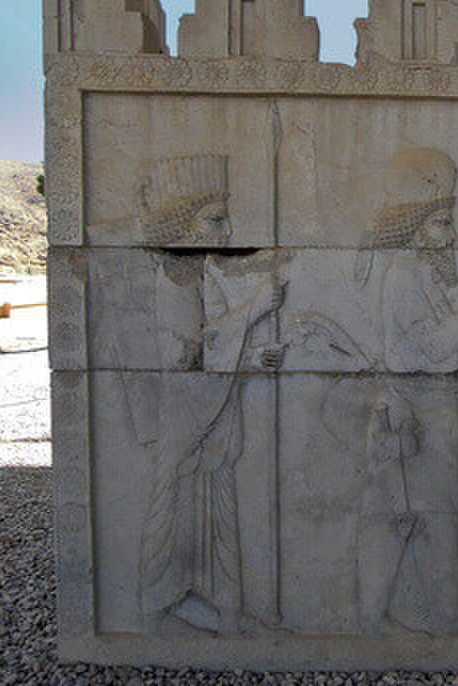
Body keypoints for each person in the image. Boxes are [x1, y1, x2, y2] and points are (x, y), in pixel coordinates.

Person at [356, 148, 458, 635]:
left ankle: (441, 617)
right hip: (412, 411)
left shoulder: (420, 273)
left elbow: (436, 349)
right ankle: (406, 621)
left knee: (436, 517)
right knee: (412, 520)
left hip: (432, 405)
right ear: (418, 226)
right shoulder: (403, 275)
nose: (454, 235)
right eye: (444, 223)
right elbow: (432, 344)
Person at [138, 155, 284, 635]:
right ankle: (161, 605)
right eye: (215, 220)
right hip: (188, 422)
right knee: (178, 508)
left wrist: (257, 353)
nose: (227, 231)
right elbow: (190, 354)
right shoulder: (171, 279)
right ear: (184, 222)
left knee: (219, 512)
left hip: (214, 420)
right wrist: (253, 311)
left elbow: (219, 346)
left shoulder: (202, 273)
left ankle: (228, 609)